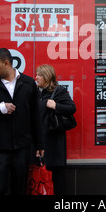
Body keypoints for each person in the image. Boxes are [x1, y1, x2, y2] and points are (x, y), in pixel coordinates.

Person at [0, 48, 44, 195]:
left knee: (19, 188)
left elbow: (35, 115)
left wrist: (39, 144)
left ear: (6, 63)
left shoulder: (28, 83)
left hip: (22, 147)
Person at [35, 64, 76, 195]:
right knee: (38, 177)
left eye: (39, 75)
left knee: (56, 179)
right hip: (38, 141)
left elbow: (71, 108)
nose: (36, 77)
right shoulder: (35, 92)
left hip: (54, 142)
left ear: (47, 77)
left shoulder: (58, 91)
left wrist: (55, 105)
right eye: (36, 74)